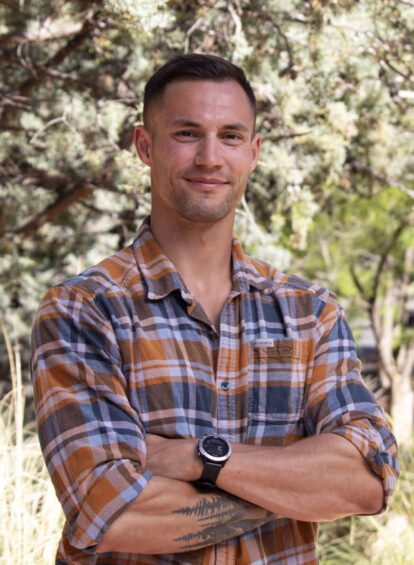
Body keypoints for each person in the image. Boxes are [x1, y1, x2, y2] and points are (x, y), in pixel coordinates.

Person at [31, 53, 399, 565]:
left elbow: (367, 481)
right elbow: (112, 515)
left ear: (253, 152)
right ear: (145, 146)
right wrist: (299, 489)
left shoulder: (310, 313)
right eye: (186, 134)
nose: (210, 157)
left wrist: (194, 458)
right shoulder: (85, 311)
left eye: (230, 136)